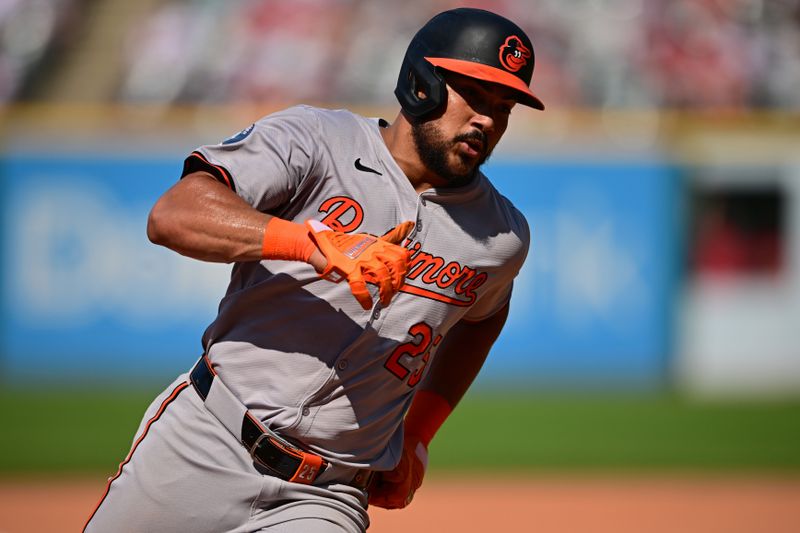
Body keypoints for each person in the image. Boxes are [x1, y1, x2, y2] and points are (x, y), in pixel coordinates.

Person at [84, 7, 543, 533]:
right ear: (422, 84)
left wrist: (418, 433)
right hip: (204, 443)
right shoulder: (317, 140)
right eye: (476, 96)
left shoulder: (500, 236)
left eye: (504, 106)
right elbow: (174, 215)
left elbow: (484, 317)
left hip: (327, 496)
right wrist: (313, 246)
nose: (488, 119)